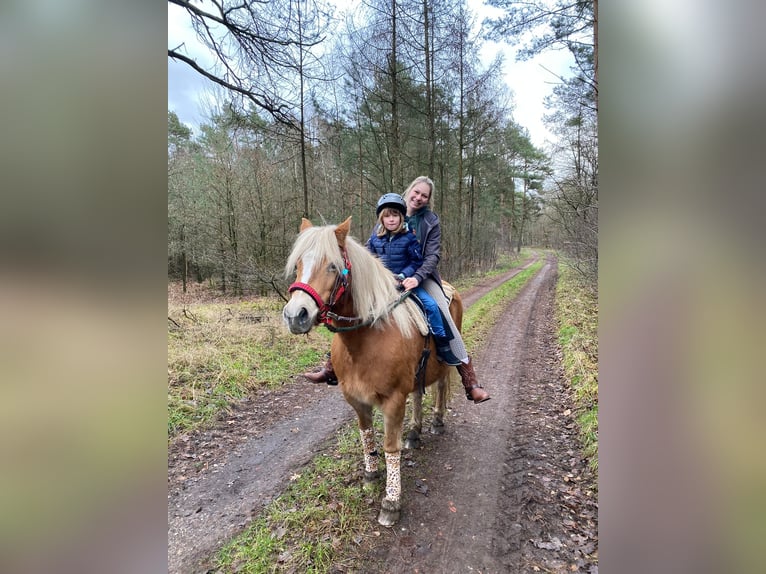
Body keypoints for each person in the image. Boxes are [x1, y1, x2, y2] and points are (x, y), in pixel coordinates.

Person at [305, 177, 489, 404]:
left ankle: (466, 374)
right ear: (409, 191)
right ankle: (332, 363)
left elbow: (431, 256)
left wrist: (415, 277)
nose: (419, 197)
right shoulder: (386, 216)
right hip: (385, 281)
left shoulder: (430, 221)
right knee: (348, 305)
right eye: (416, 192)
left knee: (439, 307)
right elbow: (369, 255)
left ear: (428, 199)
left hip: (421, 276)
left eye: (425, 195)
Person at [364, 193, 462, 365]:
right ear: (381, 219)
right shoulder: (374, 240)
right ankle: (335, 356)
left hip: (405, 283)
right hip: (381, 286)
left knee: (431, 306)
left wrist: (403, 276)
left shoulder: (409, 239)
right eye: (387, 216)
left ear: (402, 217)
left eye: (395, 215)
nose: (391, 220)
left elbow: (417, 261)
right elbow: (367, 260)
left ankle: (443, 345)